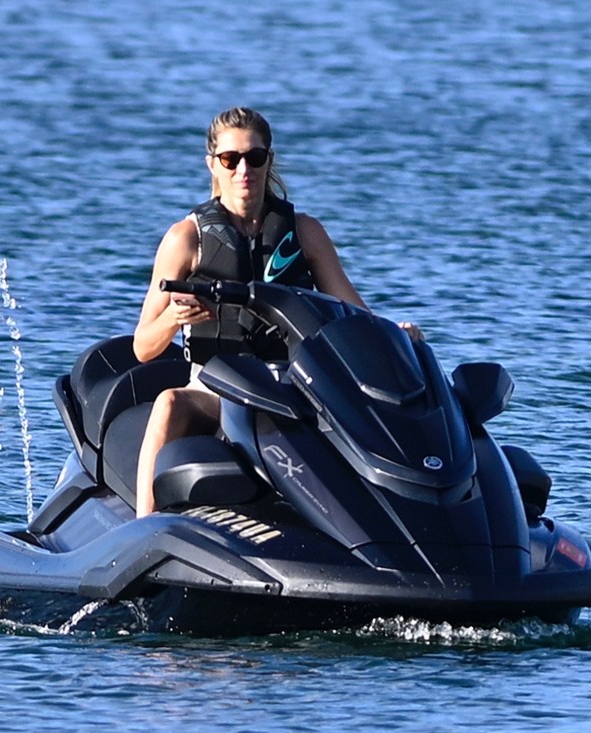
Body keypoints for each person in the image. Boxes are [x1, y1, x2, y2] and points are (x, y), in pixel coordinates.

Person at [132, 107, 421, 517]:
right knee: (169, 403)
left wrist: (396, 335)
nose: (242, 170)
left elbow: (354, 313)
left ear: (269, 159)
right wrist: (173, 319)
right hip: (216, 389)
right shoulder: (186, 238)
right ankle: (145, 525)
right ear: (213, 164)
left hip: (294, 386)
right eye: (231, 160)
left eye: (255, 157)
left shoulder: (304, 232)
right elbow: (143, 346)